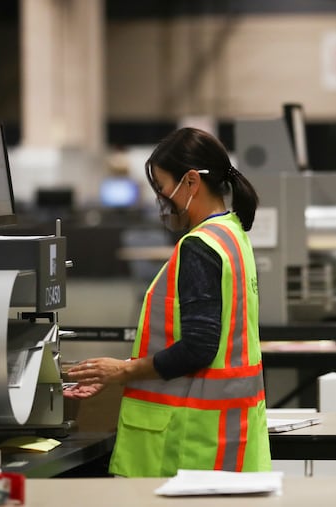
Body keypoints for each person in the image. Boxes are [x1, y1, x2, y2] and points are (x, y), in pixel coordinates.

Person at [64, 127, 271, 477]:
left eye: (163, 188)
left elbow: (198, 348)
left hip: (188, 442)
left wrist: (122, 370)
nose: (162, 199)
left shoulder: (199, 247)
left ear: (191, 182)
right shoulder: (233, 234)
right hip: (230, 435)